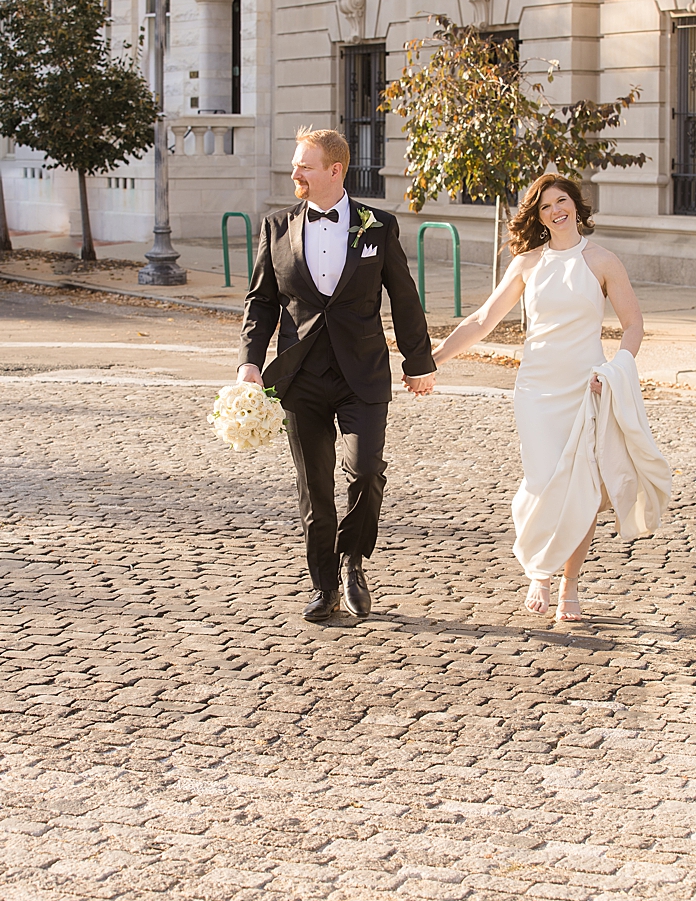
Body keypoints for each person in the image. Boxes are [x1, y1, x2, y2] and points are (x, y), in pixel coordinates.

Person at [423, 173, 667, 623]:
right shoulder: (526, 264)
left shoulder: (603, 261)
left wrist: (614, 370)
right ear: (538, 217)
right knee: (542, 483)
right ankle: (540, 568)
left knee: (586, 489)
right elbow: (481, 321)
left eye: (562, 201)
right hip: (536, 391)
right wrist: (433, 358)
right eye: (545, 207)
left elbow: (634, 326)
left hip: (586, 388)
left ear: (576, 204)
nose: (556, 211)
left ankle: (567, 586)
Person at [237, 127, 436, 623]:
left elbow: (404, 298)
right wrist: (249, 361)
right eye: (294, 164)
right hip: (300, 377)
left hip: (362, 375)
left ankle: (353, 560)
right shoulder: (276, 227)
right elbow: (261, 301)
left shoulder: (378, 226)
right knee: (314, 487)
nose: (294, 173)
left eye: (304, 165)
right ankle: (324, 584)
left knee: (365, 470)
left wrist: (418, 363)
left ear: (335, 170)